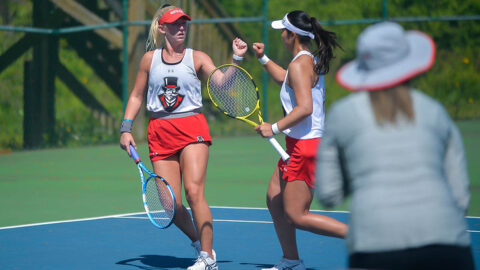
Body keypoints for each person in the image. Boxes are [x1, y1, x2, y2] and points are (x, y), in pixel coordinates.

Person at [315, 21, 474, 270]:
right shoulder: (435, 111)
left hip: (374, 245)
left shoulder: (343, 114)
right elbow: (460, 196)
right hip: (447, 244)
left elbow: (329, 193)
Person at [119, 4, 247, 270]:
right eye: (175, 24)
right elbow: (136, 95)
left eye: (184, 23)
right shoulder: (149, 60)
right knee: (170, 204)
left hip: (192, 129)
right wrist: (126, 128)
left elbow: (222, 84)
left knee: (194, 191)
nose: (181, 28)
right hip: (159, 132)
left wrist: (236, 59)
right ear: (162, 28)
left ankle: (208, 258)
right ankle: (201, 244)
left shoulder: (196, 57)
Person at [252, 10, 348, 270]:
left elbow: (305, 108)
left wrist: (273, 127)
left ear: (291, 35)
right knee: (275, 198)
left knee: (296, 215)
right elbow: (285, 79)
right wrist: (262, 58)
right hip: (298, 144)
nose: (281, 36)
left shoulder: (300, 64)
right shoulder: (305, 61)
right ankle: (291, 261)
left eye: (283, 31)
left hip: (307, 146)